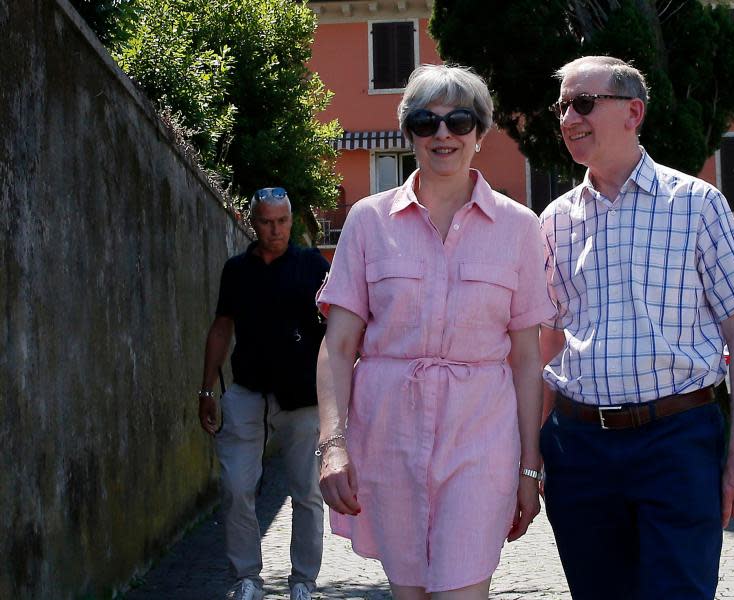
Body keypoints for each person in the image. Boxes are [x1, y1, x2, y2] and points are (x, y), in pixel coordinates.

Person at [315, 64, 554, 600]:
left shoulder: (520, 227)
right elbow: (339, 344)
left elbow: (525, 359)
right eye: (426, 123)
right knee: (411, 594)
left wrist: (529, 468)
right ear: (409, 134)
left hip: (481, 437)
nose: (443, 134)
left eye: (459, 121)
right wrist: (332, 446)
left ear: (480, 132)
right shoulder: (367, 221)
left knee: (460, 592)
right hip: (389, 437)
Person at [538, 56, 734, 600]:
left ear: (632, 112)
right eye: (563, 106)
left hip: (677, 440)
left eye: (584, 103)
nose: (569, 118)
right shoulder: (552, 221)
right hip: (579, 449)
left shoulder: (698, 205)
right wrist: (527, 460)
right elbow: (543, 348)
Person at [198, 187, 329, 600]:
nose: (276, 230)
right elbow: (222, 327)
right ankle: (246, 578)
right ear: (252, 223)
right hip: (247, 389)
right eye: (267, 222)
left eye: (283, 221)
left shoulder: (312, 265)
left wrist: (340, 388)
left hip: (303, 396)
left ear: (291, 220)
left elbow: (339, 328)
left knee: (306, 491)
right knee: (236, 486)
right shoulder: (236, 270)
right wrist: (206, 388)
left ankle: (303, 581)